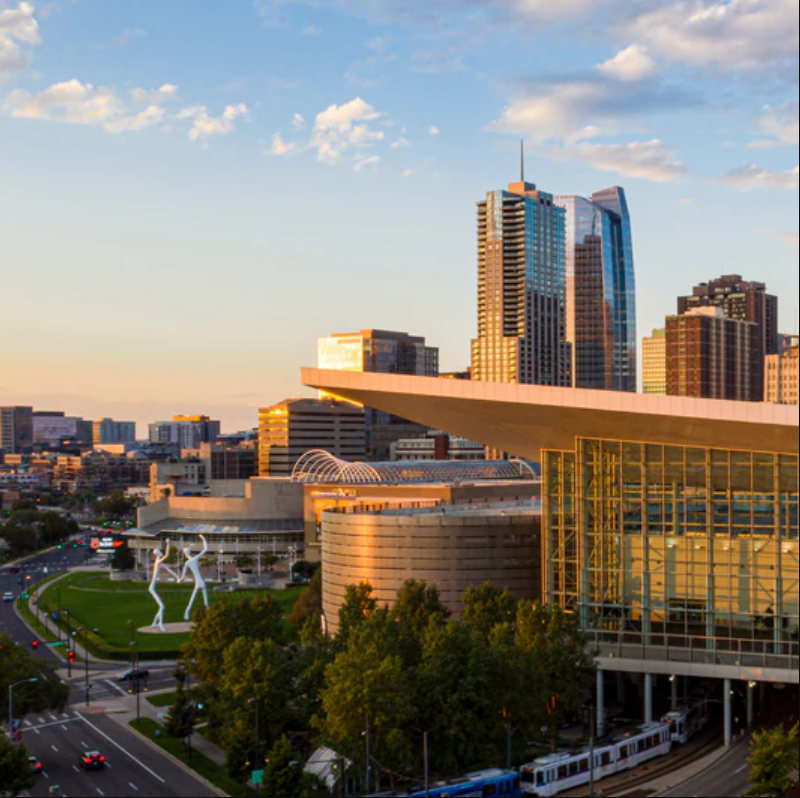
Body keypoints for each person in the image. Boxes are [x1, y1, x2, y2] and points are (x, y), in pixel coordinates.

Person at [179, 534, 210, 622]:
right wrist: (203, 538)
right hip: (200, 581)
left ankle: (187, 611)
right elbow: (206, 549)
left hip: (198, 581)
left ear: (185, 554)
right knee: (205, 599)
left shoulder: (187, 563)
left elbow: (183, 576)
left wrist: (180, 580)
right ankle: (208, 612)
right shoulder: (194, 559)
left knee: (193, 598)